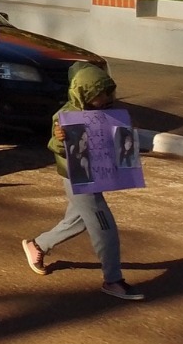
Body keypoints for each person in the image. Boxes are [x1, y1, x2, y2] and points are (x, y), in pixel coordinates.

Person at [21, 62, 144, 301]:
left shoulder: (107, 111)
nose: (107, 98)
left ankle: (37, 246)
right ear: (85, 93)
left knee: (77, 220)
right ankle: (113, 280)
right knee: (104, 225)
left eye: (109, 92)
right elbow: (55, 147)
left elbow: (118, 143)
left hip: (95, 174)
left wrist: (128, 131)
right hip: (78, 178)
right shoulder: (66, 116)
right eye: (101, 94)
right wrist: (59, 138)